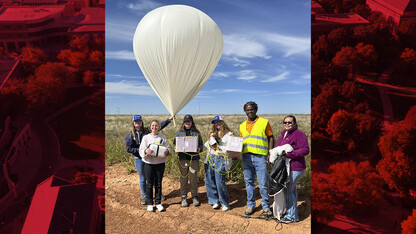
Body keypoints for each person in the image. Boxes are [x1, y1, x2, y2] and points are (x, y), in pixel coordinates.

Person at [125, 115, 173, 205]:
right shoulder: (130, 135)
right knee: (143, 178)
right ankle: (145, 196)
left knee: (154, 177)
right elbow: (128, 148)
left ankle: (158, 195)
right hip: (139, 159)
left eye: (139, 121)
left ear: (142, 122)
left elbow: (158, 125)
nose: (138, 123)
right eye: (136, 122)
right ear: (133, 123)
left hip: (150, 159)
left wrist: (169, 120)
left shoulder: (147, 131)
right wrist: (142, 151)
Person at [240, 101, 273, 216]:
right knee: (249, 182)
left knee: (263, 183)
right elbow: (241, 142)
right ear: (245, 111)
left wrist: (270, 153)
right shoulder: (242, 125)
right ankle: (251, 205)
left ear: (256, 110)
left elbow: (271, 137)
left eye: (252, 109)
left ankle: (266, 206)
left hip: (260, 157)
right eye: (248, 110)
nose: (250, 111)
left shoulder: (264, 122)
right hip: (246, 157)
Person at [275, 115, 309, 223]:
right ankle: (293, 212)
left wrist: (290, 154)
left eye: (289, 122)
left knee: (289, 190)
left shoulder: (299, 134)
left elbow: (305, 150)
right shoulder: (284, 133)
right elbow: (278, 146)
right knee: (291, 190)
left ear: (294, 123)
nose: (287, 124)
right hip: (287, 167)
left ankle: (291, 216)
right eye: (285, 122)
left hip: (296, 167)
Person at [139, 120, 170, 212]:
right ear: (150, 127)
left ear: (159, 127)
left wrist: (167, 151)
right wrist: (146, 151)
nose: (154, 127)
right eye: (153, 125)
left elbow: (168, 149)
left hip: (160, 164)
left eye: (156, 126)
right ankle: (149, 203)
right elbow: (141, 149)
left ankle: (158, 203)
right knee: (149, 184)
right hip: (149, 164)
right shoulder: (146, 138)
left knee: (158, 184)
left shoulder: (163, 137)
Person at [173, 115, 203, 207]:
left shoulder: (197, 133)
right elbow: (175, 145)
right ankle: (183, 197)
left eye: (189, 121)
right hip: (183, 158)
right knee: (183, 178)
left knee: (193, 178)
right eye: (186, 121)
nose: (187, 123)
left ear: (192, 122)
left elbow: (201, 146)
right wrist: (175, 149)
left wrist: (199, 149)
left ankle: (194, 196)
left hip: (194, 159)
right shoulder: (179, 133)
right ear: (183, 122)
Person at [204, 116, 232, 211]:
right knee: (210, 181)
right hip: (210, 158)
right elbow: (207, 145)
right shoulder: (212, 134)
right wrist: (211, 138)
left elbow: (230, 148)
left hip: (220, 159)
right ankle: (214, 201)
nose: (217, 124)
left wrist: (219, 148)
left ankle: (224, 203)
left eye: (218, 122)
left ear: (222, 122)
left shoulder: (229, 134)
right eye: (215, 123)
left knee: (220, 182)